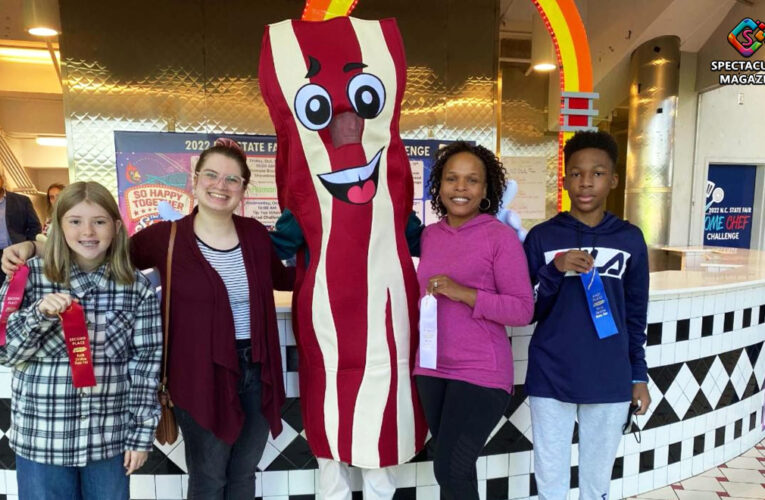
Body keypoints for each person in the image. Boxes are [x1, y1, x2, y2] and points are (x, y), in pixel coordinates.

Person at [3, 139, 295, 499]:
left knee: (245, 472)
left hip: (258, 369)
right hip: (201, 375)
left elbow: (284, 279)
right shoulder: (167, 237)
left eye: (233, 179)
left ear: (243, 189)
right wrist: (33, 246)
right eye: (212, 175)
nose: (221, 185)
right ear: (195, 179)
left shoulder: (253, 235)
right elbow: (100, 245)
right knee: (210, 476)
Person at [0, 181, 162, 500]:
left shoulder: (136, 288)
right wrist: (39, 315)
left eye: (99, 221)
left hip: (108, 442)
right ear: (58, 226)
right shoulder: (28, 276)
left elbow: (145, 368)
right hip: (43, 440)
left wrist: (140, 435)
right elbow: (5, 353)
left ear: (115, 227)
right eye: (75, 221)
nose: (88, 231)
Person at [523, 130, 651, 500]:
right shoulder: (543, 238)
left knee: (596, 485)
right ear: (564, 181)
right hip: (551, 373)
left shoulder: (629, 239)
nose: (585, 182)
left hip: (610, 375)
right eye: (576, 173)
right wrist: (555, 269)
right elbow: (527, 310)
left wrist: (637, 375)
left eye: (597, 173)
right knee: (551, 481)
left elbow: (635, 316)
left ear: (612, 179)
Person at [413, 141, 534, 500]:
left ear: (486, 190)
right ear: (439, 187)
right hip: (432, 370)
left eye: (471, 180)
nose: (460, 188)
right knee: (455, 468)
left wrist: (464, 293)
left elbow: (522, 309)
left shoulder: (499, 237)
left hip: (481, 372)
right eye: (452, 179)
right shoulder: (429, 236)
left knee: (449, 466)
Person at [0, 171, 41, 277]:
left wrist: (26, 245)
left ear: (1, 180)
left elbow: (35, 227)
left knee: (17, 289)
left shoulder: (22, 201)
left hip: (16, 253)